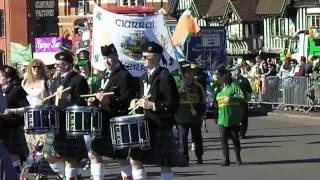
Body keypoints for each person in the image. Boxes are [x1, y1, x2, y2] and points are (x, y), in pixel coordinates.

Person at [129, 41, 185, 180]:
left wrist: (152, 106)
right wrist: (136, 101)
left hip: (160, 125)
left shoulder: (165, 76)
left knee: (164, 163)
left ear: (157, 57)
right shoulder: (144, 77)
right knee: (135, 159)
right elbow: (143, 96)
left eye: (146, 57)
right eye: (142, 57)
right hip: (144, 125)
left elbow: (173, 104)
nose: (143, 60)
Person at [87, 43, 137, 180]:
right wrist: (95, 100)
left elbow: (128, 99)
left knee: (122, 157)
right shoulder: (106, 75)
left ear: (116, 56)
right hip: (104, 120)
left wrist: (110, 100)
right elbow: (103, 95)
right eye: (104, 58)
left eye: (109, 57)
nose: (106, 61)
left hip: (117, 120)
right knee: (94, 152)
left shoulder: (124, 75)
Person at [43, 51, 89, 180]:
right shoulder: (56, 79)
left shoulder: (78, 79)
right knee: (48, 155)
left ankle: (71, 177)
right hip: (56, 121)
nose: (55, 67)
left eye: (59, 64)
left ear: (68, 65)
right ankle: (68, 176)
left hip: (70, 122)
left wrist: (67, 98)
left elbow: (83, 103)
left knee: (69, 157)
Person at [0, 65, 29, 176]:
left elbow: (26, 108)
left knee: (12, 155)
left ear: (8, 78)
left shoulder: (17, 90)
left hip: (12, 127)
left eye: (0, 75)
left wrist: (11, 110)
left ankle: (18, 175)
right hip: (1, 126)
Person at [175, 64, 206, 164]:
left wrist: (200, 114)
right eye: (186, 74)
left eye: (190, 73)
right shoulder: (178, 85)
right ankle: (184, 158)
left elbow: (203, 102)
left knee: (197, 137)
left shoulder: (198, 86)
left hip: (194, 116)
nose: (188, 76)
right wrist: (180, 89)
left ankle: (199, 156)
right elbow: (172, 98)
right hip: (181, 116)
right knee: (182, 138)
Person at [215, 66, 244, 166]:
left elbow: (241, 96)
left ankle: (238, 157)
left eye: (220, 75)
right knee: (223, 140)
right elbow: (215, 104)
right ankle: (226, 159)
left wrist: (231, 98)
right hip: (222, 119)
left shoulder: (233, 86)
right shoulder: (219, 90)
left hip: (232, 119)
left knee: (235, 139)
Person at [231, 68, 252, 139]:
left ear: (238, 72)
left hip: (242, 101)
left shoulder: (244, 80)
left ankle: (242, 133)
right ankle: (236, 132)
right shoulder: (232, 81)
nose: (233, 73)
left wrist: (248, 99)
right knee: (235, 117)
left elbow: (249, 90)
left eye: (234, 72)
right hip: (234, 102)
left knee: (243, 117)